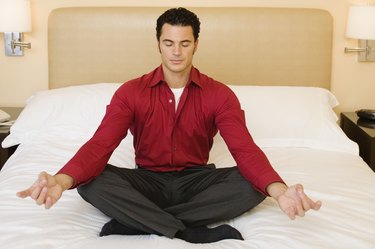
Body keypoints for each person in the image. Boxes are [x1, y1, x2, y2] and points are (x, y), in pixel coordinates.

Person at [17, 7, 321, 244]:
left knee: (253, 185)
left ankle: (136, 222)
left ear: (196, 45)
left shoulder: (219, 94)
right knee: (91, 182)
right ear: (159, 44)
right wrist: (61, 180)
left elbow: (244, 149)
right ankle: (188, 230)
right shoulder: (131, 92)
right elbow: (100, 145)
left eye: (184, 43)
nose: (176, 51)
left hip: (196, 181)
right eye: (169, 43)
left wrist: (280, 191)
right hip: (147, 181)